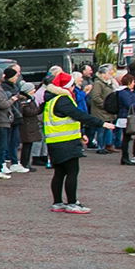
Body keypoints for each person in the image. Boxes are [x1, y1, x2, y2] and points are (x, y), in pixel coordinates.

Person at [41, 71, 101, 213]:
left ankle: (58, 202)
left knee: (60, 172)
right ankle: (72, 203)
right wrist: (101, 123)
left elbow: (64, 120)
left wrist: (80, 134)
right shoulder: (63, 99)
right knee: (72, 171)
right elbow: (77, 115)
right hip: (66, 142)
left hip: (55, 140)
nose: (74, 87)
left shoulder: (51, 99)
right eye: (72, 85)